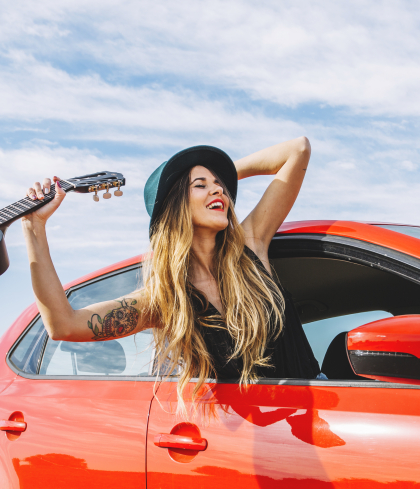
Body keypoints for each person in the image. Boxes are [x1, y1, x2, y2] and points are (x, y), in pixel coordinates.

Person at [21, 138, 319, 401]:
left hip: (324, 418)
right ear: (175, 206)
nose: (218, 190)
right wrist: (34, 227)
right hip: (259, 447)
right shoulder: (164, 301)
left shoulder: (251, 248)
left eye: (220, 185)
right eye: (200, 185)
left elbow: (298, 150)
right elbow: (63, 324)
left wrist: (222, 176)